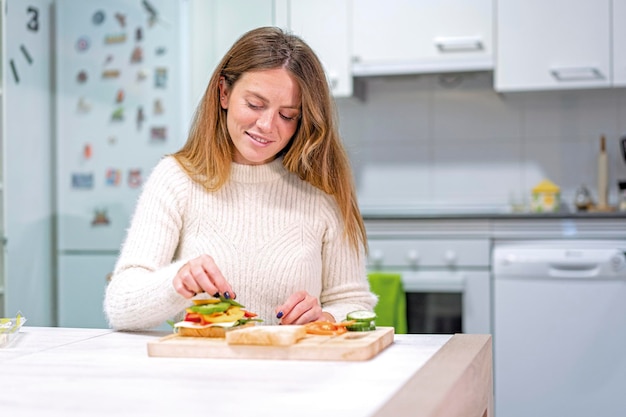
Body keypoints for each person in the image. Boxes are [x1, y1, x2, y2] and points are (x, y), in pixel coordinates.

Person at [104, 26, 377, 330]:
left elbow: (354, 302)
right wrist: (176, 282)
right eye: (255, 104)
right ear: (224, 93)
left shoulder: (322, 188)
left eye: (287, 115)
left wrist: (326, 317)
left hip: (294, 374)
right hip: (196, 373)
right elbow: (120, 306)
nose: (266, 125)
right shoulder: (176, 179)